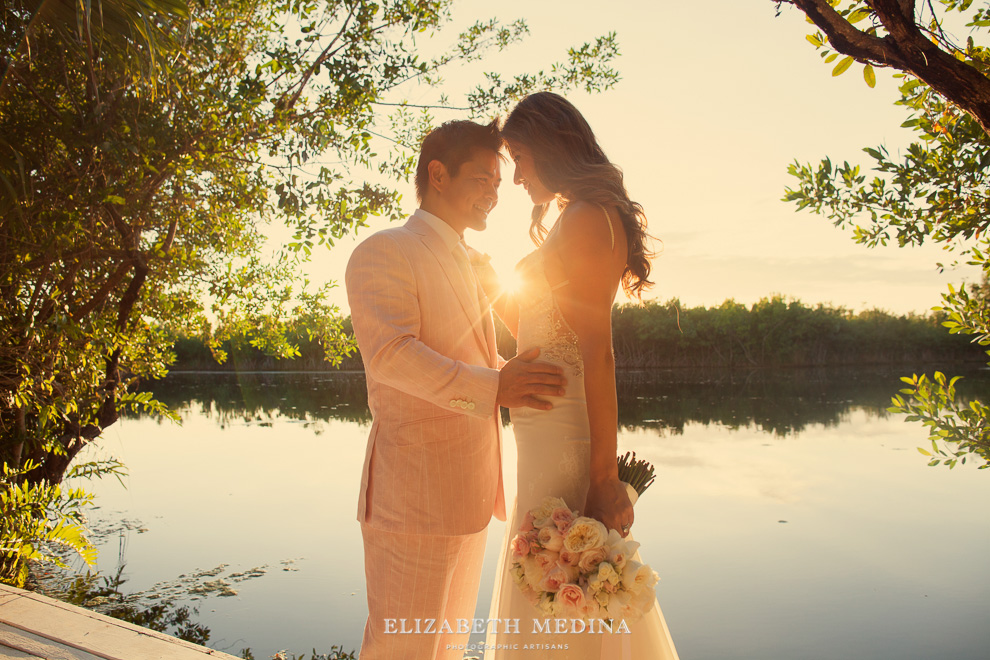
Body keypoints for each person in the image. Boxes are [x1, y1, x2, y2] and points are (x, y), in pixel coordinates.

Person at [345, 118, 567, 660]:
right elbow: (392, 356)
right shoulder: (385, 251)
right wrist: (496, 386)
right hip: (413, 501)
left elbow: (468, 354)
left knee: (445, 650)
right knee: (401, 650)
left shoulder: (467, 260)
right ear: (438, 175)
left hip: (469, 496)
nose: (495, 193)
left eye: (499, 182)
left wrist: (522, 373)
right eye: (483, 179)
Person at [480, 92, 679, 659]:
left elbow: (598, 352)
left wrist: (601, 478)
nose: (516, 177)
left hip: (566, 446)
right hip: (541, 439)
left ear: (550, 148)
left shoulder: (588, 217)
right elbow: (543, 334)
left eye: (519, 158)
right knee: (559, 600)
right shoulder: (579, 214)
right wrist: (489, 284)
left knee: (569, 601)